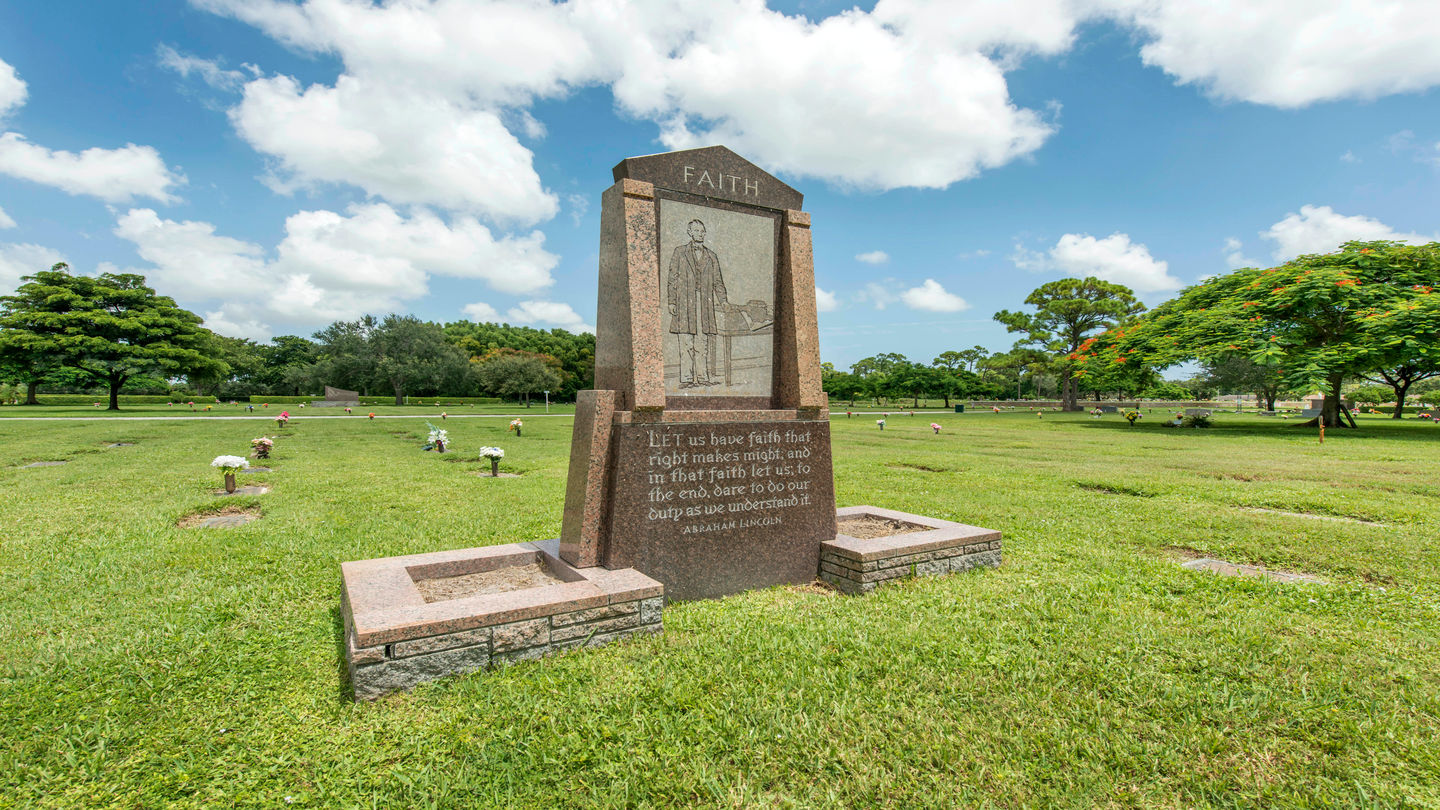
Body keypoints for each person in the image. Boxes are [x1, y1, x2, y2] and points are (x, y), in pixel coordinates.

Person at [666, 219, 728, 388]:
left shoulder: (711, 256)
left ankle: (702, 377)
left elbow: (718, 282)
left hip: (704, 304)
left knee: (702, 342)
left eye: (702, 231)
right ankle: (686, 378)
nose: (700, 233)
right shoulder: (679, 252)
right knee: (686, 341)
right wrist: (671, 301)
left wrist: (723, 301)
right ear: (690, 232)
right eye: (697, 230)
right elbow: (672, 278)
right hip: (684, 302)